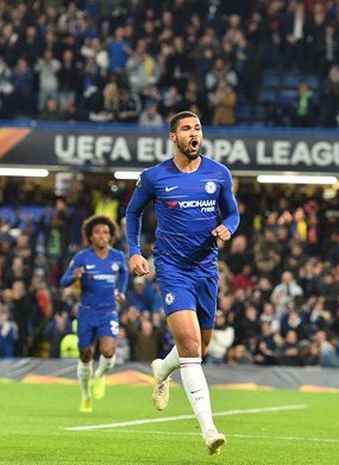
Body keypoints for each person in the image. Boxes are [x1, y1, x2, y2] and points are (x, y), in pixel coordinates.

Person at [125, 110, 240, 455]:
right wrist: (134, 251)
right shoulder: (154, 177)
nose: (195, 133)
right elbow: (133, 213)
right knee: (192, 352)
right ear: (173, 137)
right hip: (173, 269)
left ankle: (162, 369)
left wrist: (228, 228)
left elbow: (232, 212)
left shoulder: (219, 174)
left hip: (207, 270)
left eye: (198, 128)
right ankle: (209, 430)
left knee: (200, 348)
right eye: (187, 128)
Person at [60, 215, 127, 413]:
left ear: (111, 236)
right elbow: (63, 281)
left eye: (105, 232)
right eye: (97, 232)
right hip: (87, 311)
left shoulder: (118, 257)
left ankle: (100, 375)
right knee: (85, 354)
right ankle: (85, 395)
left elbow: (123, 274)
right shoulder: (82, 257)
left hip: (108, 311)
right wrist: (74, 276)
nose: (101, 235)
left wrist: (120, 292)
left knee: (108, 351)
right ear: (90, 236)